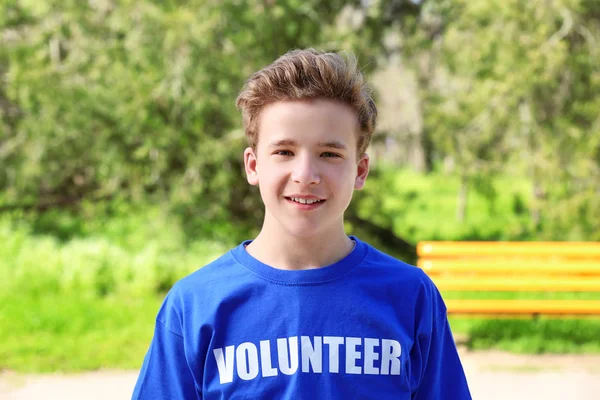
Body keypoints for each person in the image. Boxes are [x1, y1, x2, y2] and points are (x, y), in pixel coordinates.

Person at [132, 48, 472, 399]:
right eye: (284, 152)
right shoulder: (195, 304)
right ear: (253, 165)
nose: (306, 175)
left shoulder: (410, 296)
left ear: (360, 170)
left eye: (329, 154)